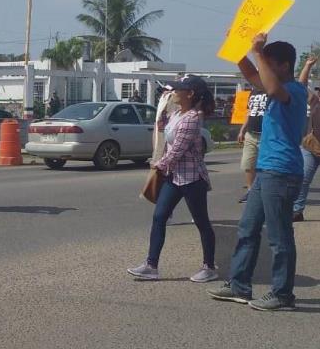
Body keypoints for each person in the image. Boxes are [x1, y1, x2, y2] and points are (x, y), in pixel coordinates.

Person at [208, 34, 307, 311]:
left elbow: (273, 89)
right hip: (266, 171)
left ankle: (283, 294)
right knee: (248, 229)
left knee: (279, 236)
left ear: (285, 66)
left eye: (270, 63)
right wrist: (239, 50)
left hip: (283, 172)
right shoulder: (272, 84)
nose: (264, 67)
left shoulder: (295, 89)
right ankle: (239, 285)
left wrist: (258, 51)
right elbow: (252, 73)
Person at [128, 75, 218, 283]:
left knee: (202, 222)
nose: (173, 92)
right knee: (159, 217)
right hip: (174, 176)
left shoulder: (193, 118)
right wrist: (161, 120)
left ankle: (209, 267)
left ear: (190, 94)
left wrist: (157, 165)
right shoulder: (178, 113)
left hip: (192, 178)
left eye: (178, 89)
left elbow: (176, 151)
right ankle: (151, 265)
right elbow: (166, 139)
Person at [293, 55, 320, 222]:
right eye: (319, 90)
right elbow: (301, 86)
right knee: (303, 179)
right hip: (311, 147)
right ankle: (297, 211)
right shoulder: (315, 101)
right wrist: (307, 66)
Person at [236, 87, 268, 203]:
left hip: (266, 134)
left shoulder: (271, 89)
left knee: (264, 166)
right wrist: (242, 130)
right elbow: (249, 112)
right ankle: (251, 191)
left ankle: (265, 192)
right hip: (251, 133)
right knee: (248, 164)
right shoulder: (253, 92)